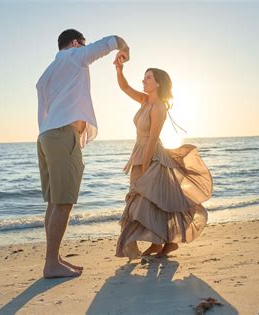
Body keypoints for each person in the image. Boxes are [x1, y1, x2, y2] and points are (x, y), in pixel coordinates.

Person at [36, 29, 129, 278]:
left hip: (46, 137)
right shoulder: (75, 56)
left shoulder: (46, 74)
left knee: (54, 202)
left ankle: (53, 258)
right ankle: (50, 264)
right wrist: (125, 51)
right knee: (64, 202)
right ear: (76, 43)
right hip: (62, 135)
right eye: (82, 44)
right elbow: (111, 41)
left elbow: (43, 112)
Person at [113, 55, 213, 260]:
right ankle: (163, 243)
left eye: (148, 78)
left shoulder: (159, 107)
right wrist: (119, 70)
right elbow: (125, 88)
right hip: (139, 155)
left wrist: (147, 166)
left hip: (152, 157)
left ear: (158, 83)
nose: (144, 80)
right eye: (144, 77)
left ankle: (162, 243)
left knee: (149, 201)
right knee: (147, 201)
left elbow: (152, 139)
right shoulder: (144, 101)